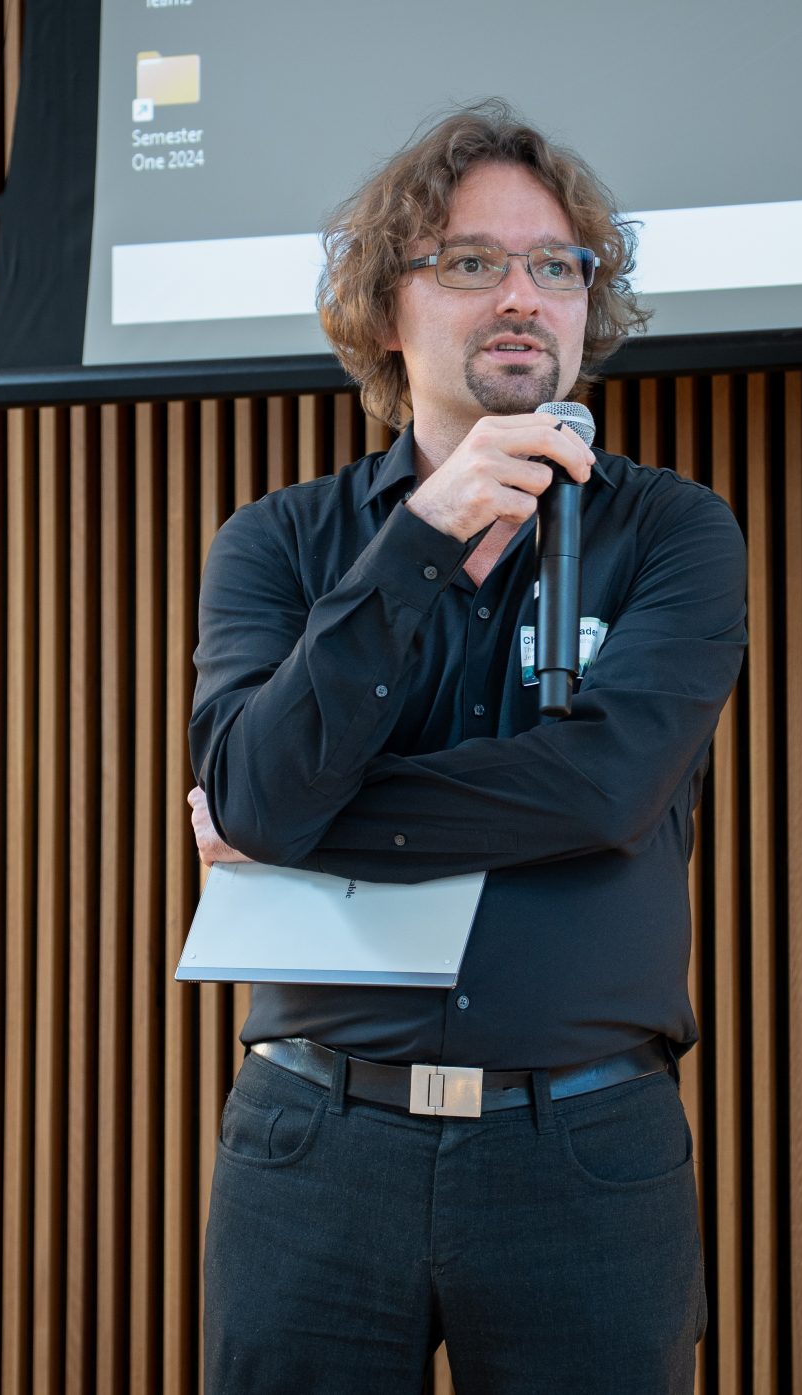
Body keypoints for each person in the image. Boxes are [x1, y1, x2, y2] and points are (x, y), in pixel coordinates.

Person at [186, 100, 747, 1394]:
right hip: (313, 1144)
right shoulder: (278, 544)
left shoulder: (672, 534)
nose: (522, 295)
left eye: (556, 265)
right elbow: (258, 791)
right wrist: (422, 539)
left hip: (586, 1144)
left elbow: (604, 789)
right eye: (473, 261)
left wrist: (301, 822)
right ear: (388, 310)